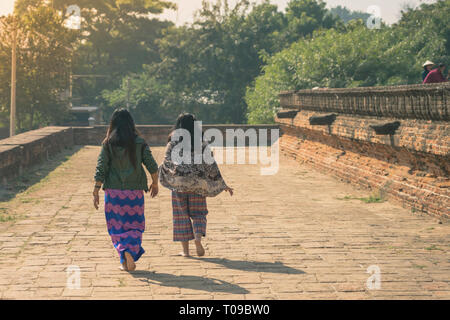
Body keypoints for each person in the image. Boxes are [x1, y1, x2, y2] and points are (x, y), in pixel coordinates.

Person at [93, 108, 159, 272]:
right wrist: (155, 182)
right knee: (135, 225)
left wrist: (96, 189)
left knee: (116, 226)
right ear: (131, 123)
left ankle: (124, 255)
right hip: (134, 192)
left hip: (113, 193)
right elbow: (151, 164)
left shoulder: (108, 143)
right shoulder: (139, 142)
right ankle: (128, 254)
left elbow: (101, 167)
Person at [159, 113, 233, 257]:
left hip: (179, 184)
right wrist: (222, 184)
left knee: (181, 216)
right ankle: (198, 239)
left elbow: (167, 161)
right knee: (199, 213)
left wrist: (162, 175)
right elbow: (211, 164)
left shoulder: (173, 141)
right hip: (198, 184)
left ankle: (186, 252)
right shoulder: (202, 142)